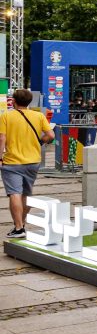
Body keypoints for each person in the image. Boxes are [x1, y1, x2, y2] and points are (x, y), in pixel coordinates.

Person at [0, 89, 56, 237]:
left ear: (13, 101)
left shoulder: (6, 116)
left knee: (14, 194)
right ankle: (21, 224)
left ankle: (18, 228)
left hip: (12, 162)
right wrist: (39, 142)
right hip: (33, 161)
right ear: (29, 101)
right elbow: (51, 135)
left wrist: (0, 157)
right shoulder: (38, 116)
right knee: (25, 194)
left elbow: (2, 139)